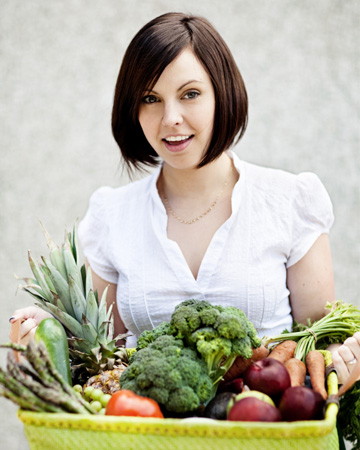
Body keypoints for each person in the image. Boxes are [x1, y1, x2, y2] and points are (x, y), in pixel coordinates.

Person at [9, 12, 360, 385]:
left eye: (190, 94)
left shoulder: (290, 200)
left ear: (221, 93)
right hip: (143, 436)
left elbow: (322, 342)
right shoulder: (112, 215)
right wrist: (46, 335)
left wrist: (347, 355)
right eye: (151, 98)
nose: (170, 118)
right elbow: (98, 359)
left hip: (265, 430)